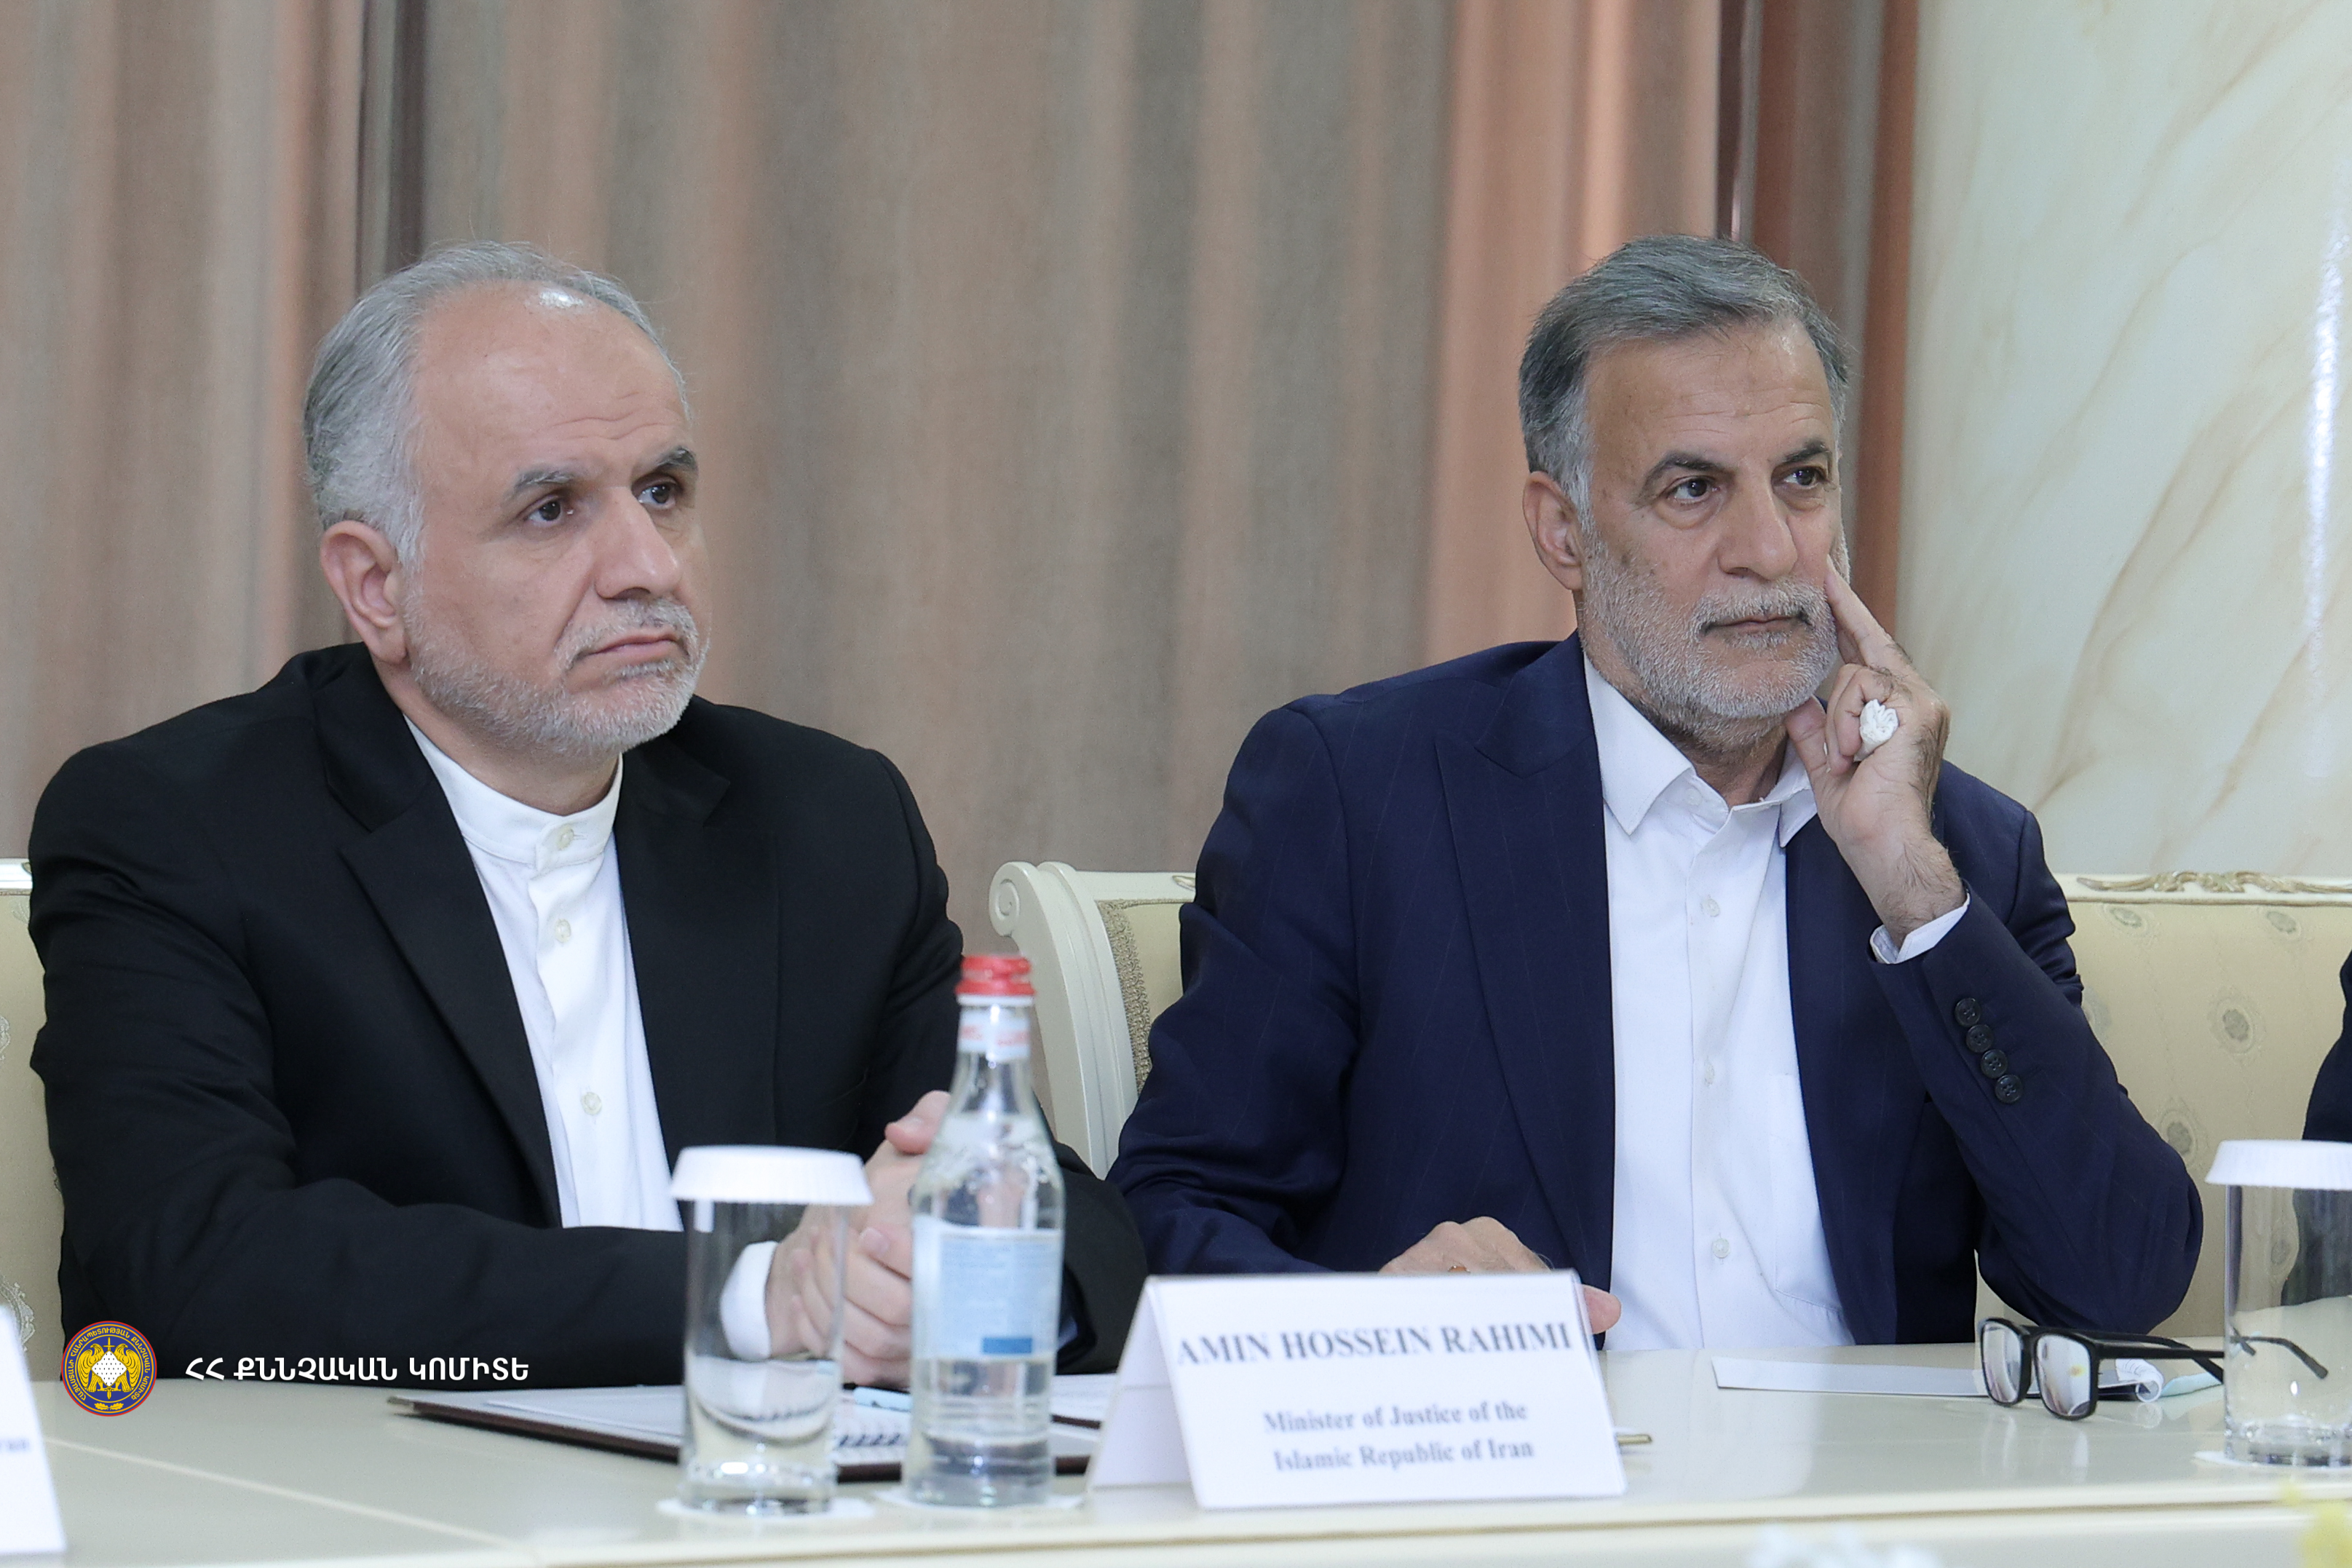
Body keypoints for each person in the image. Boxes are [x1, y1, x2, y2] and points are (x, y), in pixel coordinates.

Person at [30, 243, 1144, 1387]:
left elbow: (1069, 1224)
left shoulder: (827, 821)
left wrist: (953, 1268)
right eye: (552, 509)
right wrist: (752, 1295)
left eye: (662, 491)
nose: (646, 565)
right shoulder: (176, 828)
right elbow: (194, 1269)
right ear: (376, 585)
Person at [1112, 235, 2200, 1346]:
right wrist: (1380, 1325)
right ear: (1564, 533)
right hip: (1527, 1452)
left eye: (1802, 479)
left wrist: (1917, 895)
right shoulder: (1361, 800)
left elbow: (2120, 1278)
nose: (1769, 548)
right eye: (1694, 489)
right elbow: (1166, 1215)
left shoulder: (1957, 848)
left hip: (1860, 1466)